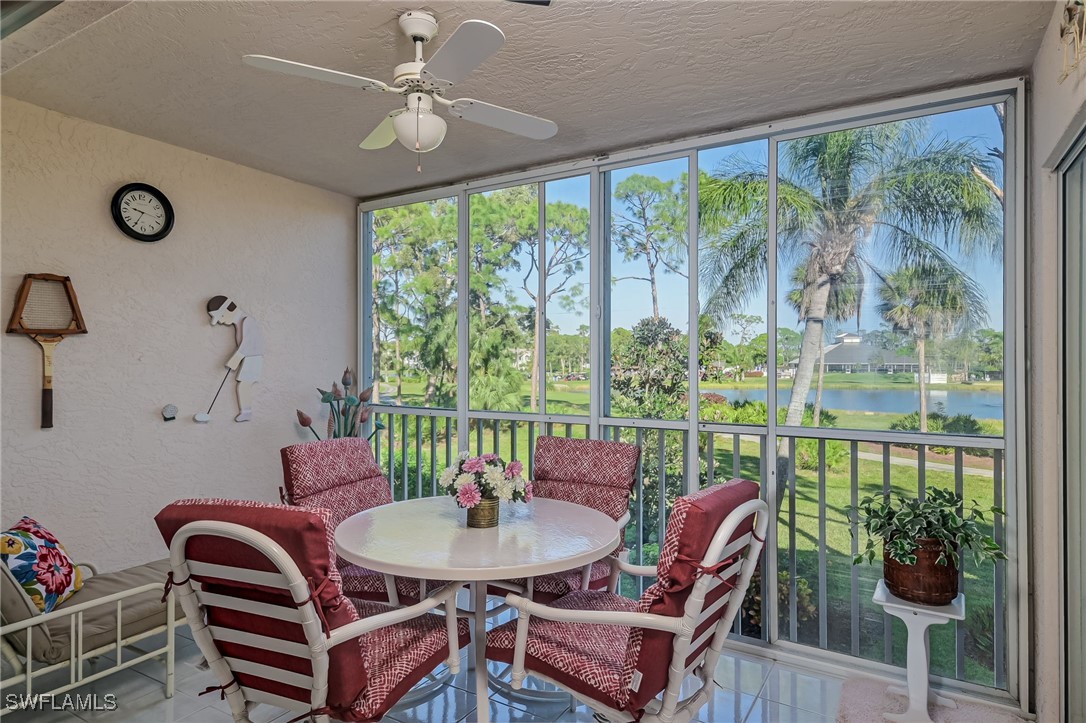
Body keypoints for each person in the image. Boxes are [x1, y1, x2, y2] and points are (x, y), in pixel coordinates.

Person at [206, 295, 264, 422]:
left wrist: (236, 358)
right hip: (250, 358)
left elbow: (248, 344)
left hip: (253, 358)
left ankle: (246, 412)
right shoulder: (240, 322)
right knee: (243, 385)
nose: (221, 321)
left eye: (221, 317)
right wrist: (237, 358)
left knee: (244, 385)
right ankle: (246, 412)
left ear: (228, 310)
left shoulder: (247, 321)